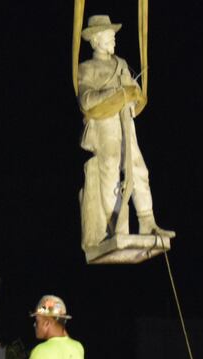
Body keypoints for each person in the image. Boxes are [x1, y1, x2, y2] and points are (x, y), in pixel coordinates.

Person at [78, 14, 175, 248]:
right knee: (110, 170)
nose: (113, 38)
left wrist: (132, 95)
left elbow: (134, 89)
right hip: (105, 125)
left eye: (113, 35)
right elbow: (86, 100)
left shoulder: (121, 63)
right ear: (96, 40)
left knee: (139, 169)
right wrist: (114, 93)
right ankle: (115, 226)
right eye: (108, 35)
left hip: (125, 124)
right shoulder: (86, 68)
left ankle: (147, 221)